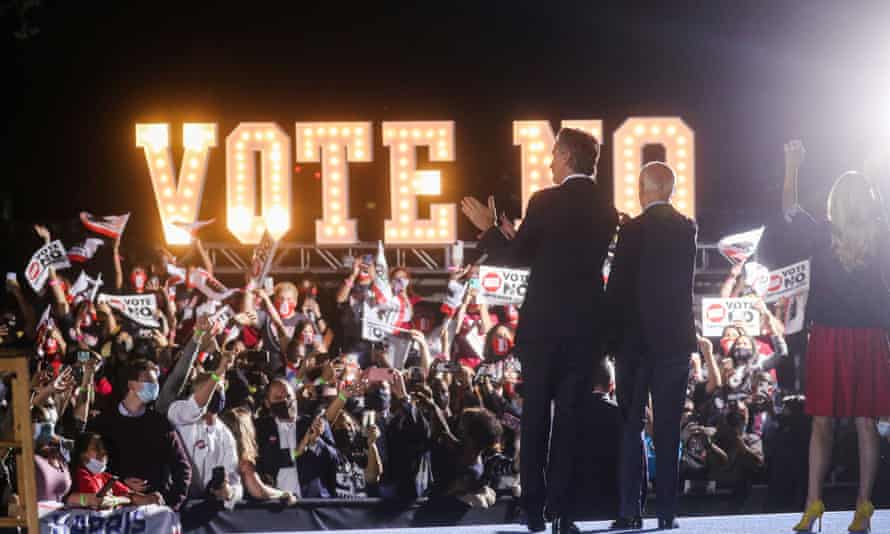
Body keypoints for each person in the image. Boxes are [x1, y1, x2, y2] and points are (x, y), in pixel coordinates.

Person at [462, 127, 617, 534]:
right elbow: (546, 252)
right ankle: (563, 514)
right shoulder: (606, 207)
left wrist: (488, 230)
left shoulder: (545, 201)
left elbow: (518, 257)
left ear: (566, 156)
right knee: (570, 422)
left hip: (543, 329)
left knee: (535, 422)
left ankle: (533, 511)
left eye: (553, 154)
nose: (549, 162)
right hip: (585, 330)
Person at [782, 140, 890, 534]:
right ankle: (861, 506)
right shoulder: (880, 235)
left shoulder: (830, 235)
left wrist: (792, 166)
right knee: (865, 423)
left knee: (822, 424)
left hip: (831, 337)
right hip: (866, 338)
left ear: (834, 201)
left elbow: (789, 211)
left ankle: (815, 505)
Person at [608, 162, 697, 530]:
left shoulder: (631, 230)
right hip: (674, 341)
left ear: (644, 189)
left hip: (634, 343)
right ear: (671, 190)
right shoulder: (687, 228)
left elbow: (618, 289)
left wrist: (610, 339)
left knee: (631, 426)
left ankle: (630, 512)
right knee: (668, 428)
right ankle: (667, 513)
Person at [85, 359, 192, 510]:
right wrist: (119, 482)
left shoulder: (161, 424)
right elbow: (90, 467)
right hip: (114, 511)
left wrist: (169, 503)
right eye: (148, 381)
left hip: (155, 514)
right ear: (131, 385)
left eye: (156, 382)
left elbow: (183, 468)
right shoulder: (103, 423)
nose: (154, 386)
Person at [167, 365, 243, 509]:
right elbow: (194, 408)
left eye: (220, 389)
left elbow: (234, 479)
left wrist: (229, 492)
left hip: (210, 508)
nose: (217, 393)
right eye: (212, 390)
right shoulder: (179, 412)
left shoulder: (225, 434)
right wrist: (218, 372)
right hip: (179, 504)